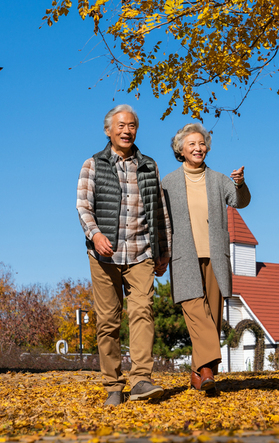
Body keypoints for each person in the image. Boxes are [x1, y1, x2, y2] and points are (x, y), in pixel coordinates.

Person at [76, 104, 172, 407]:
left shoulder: (149, 166)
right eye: (120, 126)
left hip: (141, 251)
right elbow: (83, 206)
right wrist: (96, 235)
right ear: (108, 130)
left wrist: (164, 249)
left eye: (131, 125)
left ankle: (141, 379)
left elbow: (160, 212)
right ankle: (113, 385)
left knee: (143, 311)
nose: (126, 130)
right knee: (108, 321)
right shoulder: (93, 164)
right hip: (105, 255)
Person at [162, 123, 250, 393]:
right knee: (195, 312)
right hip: (182, 256)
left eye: (201, 144)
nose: (198, 148)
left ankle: (197, 372)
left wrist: (241, 184)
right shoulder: (167, 183)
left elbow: (240, 201)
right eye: (191, 144)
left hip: (215, 256)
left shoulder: (218, 179)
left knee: (211, 316)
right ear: (180, 149)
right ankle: (209, 370)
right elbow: (160, 221)